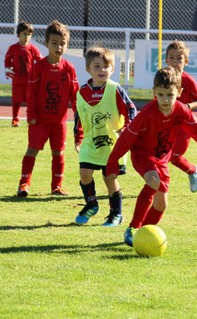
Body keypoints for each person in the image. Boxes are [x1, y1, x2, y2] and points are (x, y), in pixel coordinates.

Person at [105, 67, 197, 248]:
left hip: (162, 159)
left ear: (179, 93)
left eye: (169, 95)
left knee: (162, 204)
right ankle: (132, 229)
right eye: (161, 94)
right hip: (142, 154)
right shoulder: (147, 113)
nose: (165, 100)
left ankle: (143, 234)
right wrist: (112, 162)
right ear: (154, 92)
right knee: (153, 181)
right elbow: (127, 139)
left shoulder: (181, 111)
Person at [73, 46, 136, 228]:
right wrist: (78, 137)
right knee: (84, 173)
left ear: (113, 69)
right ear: (88, 69)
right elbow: (79, 116)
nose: (102, 70)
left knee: (110, 178)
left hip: (112, 145)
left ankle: (116, 214)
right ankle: (91, 204)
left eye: (106, 66)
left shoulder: (114, 89)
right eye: (97, 66)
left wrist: (128, 127)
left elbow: (131, 108)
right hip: (90, 143)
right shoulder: (81, 93)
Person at [18, 20, 79, 197]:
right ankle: (24, 185)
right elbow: (31, 93)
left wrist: (78, 116)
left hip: (59, 122)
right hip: (40, 121)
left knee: (58, 152)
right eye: (54, 43)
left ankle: (56, 187)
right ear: (46, 44)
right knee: (32, 150)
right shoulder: (38, 67)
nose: (58, 47)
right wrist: (31, 114)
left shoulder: (69, 69)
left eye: (62, 44)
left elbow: (74, 96)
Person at [165, 41, 197, 193]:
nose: (175, 62)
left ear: (186, 61)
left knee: (174, 156)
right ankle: (158, 184)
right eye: (172, 58)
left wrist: (187, 107)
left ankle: (193, 170)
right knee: (159, 153)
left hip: (183, 126)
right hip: (165, 124)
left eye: (179, 58)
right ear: (166, 60)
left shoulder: (188, 80)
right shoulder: (163, 77)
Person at [3, 21, 41, 127]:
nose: (27, 37)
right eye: (24, 34)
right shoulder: (13, 48)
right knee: (16, 100)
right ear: (18, 34)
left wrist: (37, 72)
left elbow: (40, 61)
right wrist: (7, 68)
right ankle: (15, 119)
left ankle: (31, 118)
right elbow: (7, 60)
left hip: (29, 81)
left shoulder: (33, 49)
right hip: (17, 80)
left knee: (31, 100)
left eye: (29, 34)